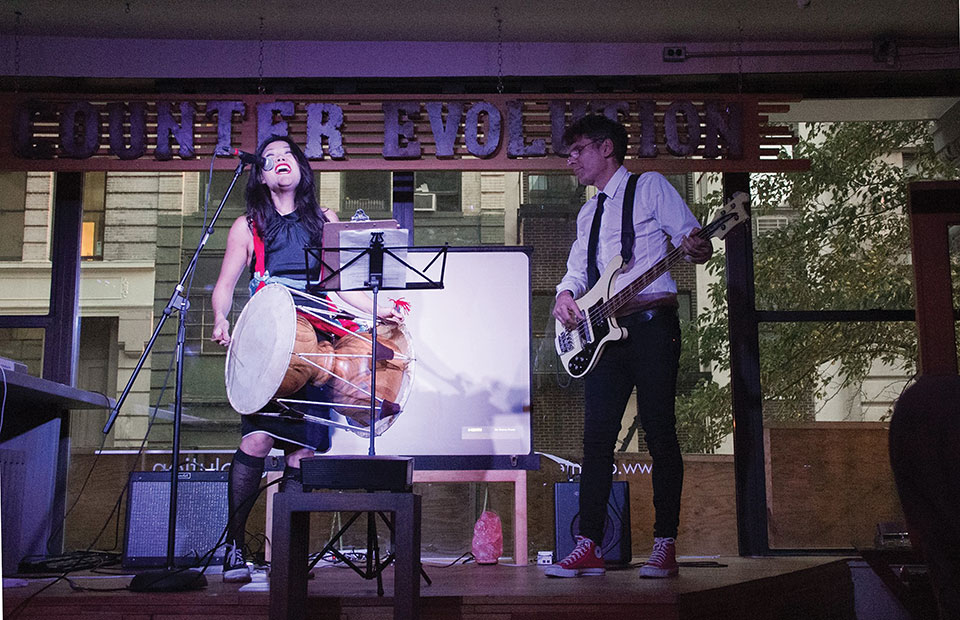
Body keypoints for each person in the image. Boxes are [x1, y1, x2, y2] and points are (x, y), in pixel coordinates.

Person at [210, 135, 403, 583]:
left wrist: (378, 310)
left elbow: (337, 287)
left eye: (288, 155)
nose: (280, 161)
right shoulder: (247, 225)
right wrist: (220, 317)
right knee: (256, 440)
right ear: (260, 174)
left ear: (301, 169)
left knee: (302, 453)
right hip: (267, 341)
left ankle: (286, 556)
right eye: (270, 158)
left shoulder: (325, 220)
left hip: (317, 341)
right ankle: (235, 548)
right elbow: (225, 283)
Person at [546, 114, 713, 579]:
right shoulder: (588, 211)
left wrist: (699, 247)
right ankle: (589, 544)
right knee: (596, 439)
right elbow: (578, 272)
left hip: (653, 325)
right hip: (605, 336)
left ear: (605, 149)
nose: (571, 160)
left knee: (660, 430)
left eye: (577, 150)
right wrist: (564, 294)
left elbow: (691, 239)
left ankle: (664, 544)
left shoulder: (651, 187)